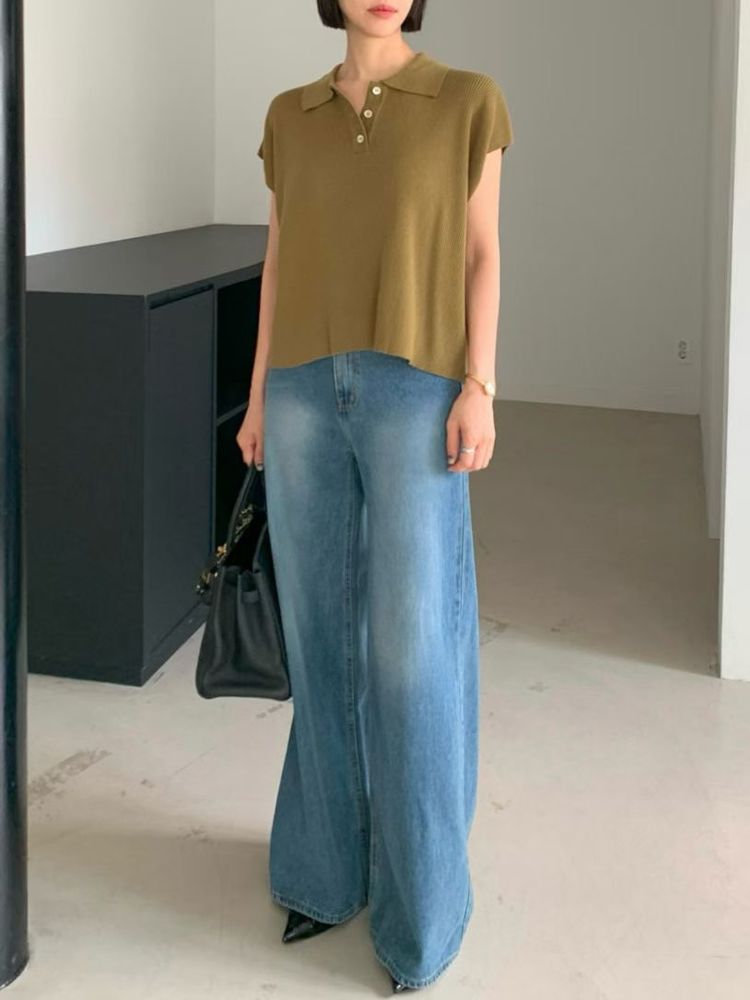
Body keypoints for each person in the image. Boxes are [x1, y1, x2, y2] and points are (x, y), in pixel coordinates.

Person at [237, 0, 513, 991]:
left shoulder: (467, 100)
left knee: (412, 647)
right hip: (303, 393)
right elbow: (279, 262)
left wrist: (479, 385)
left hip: (415, 391)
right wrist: (259, 394)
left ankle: (422, 913)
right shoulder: (290, 113)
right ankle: (321, 873)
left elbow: (481, 252)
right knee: (318, 639)